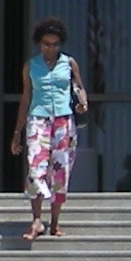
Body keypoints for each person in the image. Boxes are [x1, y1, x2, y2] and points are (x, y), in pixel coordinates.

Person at [19, 18, 89, 243]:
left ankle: (55, 222)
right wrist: (16, 131)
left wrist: (82, 102)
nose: (50, 48)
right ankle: (37, 219)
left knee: (60, 170)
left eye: (55, 44)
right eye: (46, 44)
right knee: (35, 166)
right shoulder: (31, 65)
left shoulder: (69, 63)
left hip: (63, 120)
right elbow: (26, 97)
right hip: (38, 118)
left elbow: (78, 87)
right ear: (39, 44)